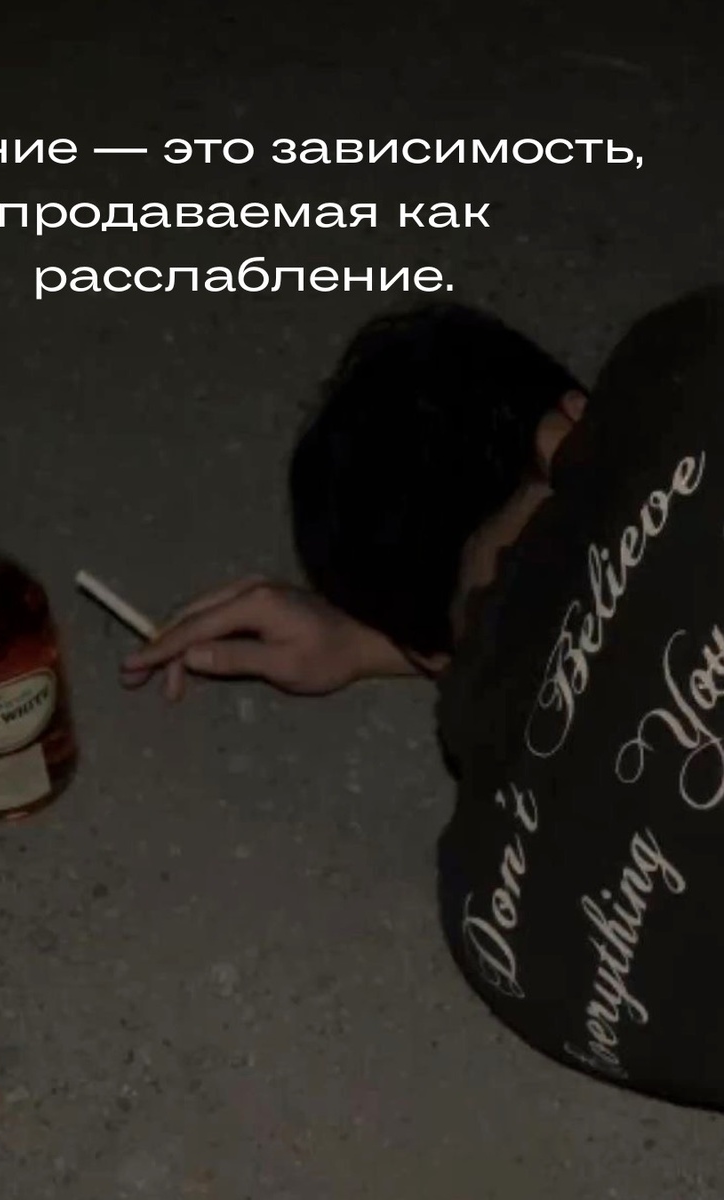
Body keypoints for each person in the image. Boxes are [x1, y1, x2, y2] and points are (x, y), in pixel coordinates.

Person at [120, 289, 724, 1109]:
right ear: (569, 416)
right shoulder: (693, 358)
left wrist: (396, 643)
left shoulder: (499, 925)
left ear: (429, 650)